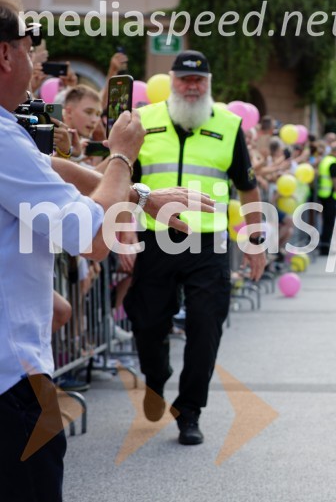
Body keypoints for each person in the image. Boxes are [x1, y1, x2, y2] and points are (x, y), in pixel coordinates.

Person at [0, 0, 208, 501]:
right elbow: (93, 238)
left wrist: (137, 194)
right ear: (5, 53)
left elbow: (48, 168)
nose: (35, 58)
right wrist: (120, 157)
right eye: (31, 44)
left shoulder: (11, 136)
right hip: (11, 384)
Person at [120, 50, 266, 446]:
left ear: (209, 84)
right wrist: (122, 232)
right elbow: (120, 179)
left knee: (206, 326)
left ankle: (189, 411)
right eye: (184, 79)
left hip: (209, 241)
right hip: (155, 237)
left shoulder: (229, 124)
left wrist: (255, 240)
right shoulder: (143, 121)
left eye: (199, 80)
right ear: (171, 81)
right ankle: (155, 376)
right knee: (147, 322)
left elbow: (248, 186)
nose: (191, 86)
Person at [317, 137, 336, 255]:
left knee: (326, 222)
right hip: (330, 196)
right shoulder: (333, 163)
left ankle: (324, 246)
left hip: (323, 195)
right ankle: (326, 247)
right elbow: (335, 181)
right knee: (329, 223)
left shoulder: (325, 160)